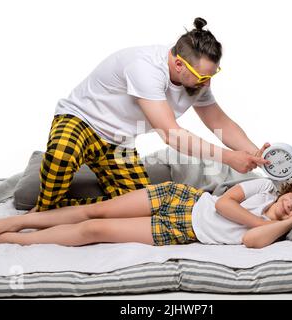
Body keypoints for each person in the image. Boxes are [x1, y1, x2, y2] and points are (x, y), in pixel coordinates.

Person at [34, 17, 270, 212]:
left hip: (118, 142)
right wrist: (230, 158)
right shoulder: (145, 68)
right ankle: (44, 210)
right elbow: (171, 135)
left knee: (139, 209)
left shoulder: (196, 82)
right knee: (61, 156)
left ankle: (64, 211)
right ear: (179, 65)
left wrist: (258, 155)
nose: (206, 83)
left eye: (212, 75)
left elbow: (221, 123)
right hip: (81, 120)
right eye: (202, 77)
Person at [0, 177, 292, 249]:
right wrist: (268, 218)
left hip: (180, 229)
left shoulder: (276, 230)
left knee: (94, 229)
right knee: (97, 209)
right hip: (182, 198)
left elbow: (251, 241)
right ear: (290, 188)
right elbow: (222, 203)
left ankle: (10, 238)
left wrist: (291, 224)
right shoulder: (263, 188)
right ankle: (18, 220)